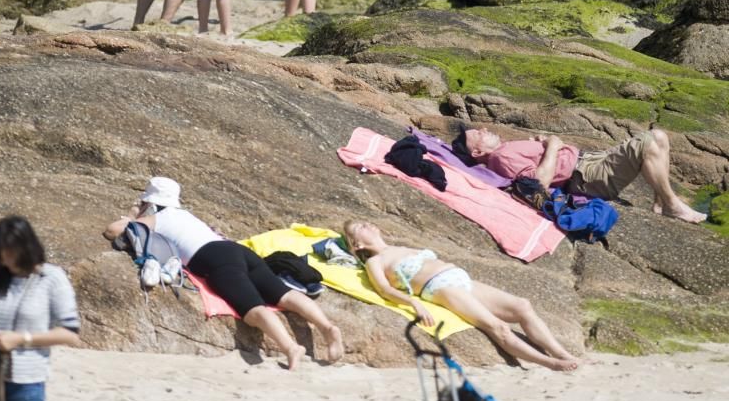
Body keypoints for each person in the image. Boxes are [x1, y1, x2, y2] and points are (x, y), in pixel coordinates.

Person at [104, 177, 343, 370]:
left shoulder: (155, 218)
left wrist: (134, 213)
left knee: (252, 307)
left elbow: (112, 231)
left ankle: (291, 347)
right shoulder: (186, 215)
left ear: (149, 202)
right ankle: (327, 327)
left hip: (212, 258)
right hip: (237, 249)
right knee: (283, 294)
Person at [343, 219, 579, 372]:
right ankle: (550, 363)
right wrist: (412, 302)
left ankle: (560, 351)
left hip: (460, 278)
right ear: (358, 244)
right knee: (497, 327)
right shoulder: (375, 261)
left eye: (365, 222)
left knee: (522, 306)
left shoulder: (400, 247)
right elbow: (384, 290)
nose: (367, 225)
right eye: (360, 228)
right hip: (440, 288)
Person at [453, 126, 707, 224]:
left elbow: (534, 165)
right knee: (650, 142)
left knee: (660, 136)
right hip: (587, 176)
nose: (484, 128)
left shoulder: (504, 152)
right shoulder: (500, 157)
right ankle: (672, 204)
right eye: (477, 133)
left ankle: (659, 201)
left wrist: (540, 144)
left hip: (590, 162)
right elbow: (539, 183)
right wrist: (553, 144)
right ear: (476, 152)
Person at [0, 216, 81, 401]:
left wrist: (22, 339)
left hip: (27, 380)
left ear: (26, 247)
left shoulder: (51, 278)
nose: (4, 258)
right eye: (0, 252)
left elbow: (70, 333)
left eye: (9, 251)